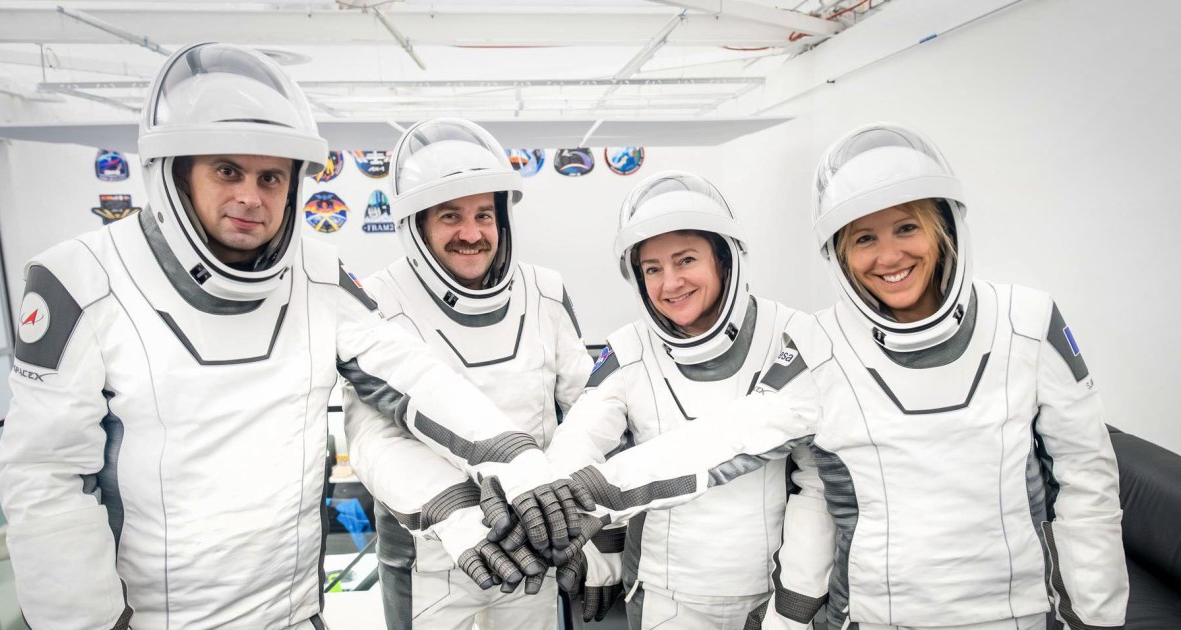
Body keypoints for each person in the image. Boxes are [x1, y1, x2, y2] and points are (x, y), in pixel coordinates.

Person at [0, 43, 561, 630]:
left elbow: (408, 371)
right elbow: (45, 479)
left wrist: (513, 456)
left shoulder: (317, 274)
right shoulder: (81, 278)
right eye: (228, 171)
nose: (250, 196)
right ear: (177, 173)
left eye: (270, 177)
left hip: (295, 614)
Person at [514, 123, 1129, 630]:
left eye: (907, 227)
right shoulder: (821, 344)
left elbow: (1088, 478)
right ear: (840, 252)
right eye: (864, 238)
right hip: (871, 614)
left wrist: (1096, 616)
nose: (888, 256)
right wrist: (572, 493)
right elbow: (719, 439)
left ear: (945, 227)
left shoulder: (1027, 322)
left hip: (1016, 612)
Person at [544, 171, 835, 630]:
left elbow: (816, 484)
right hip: (664, 596)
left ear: (724, 259)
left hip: (764, 591)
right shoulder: (629, 348)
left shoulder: (793, 335)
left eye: (685, 260)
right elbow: (580, 439)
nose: (670, 283)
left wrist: (795, 601)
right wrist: (563, 519)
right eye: (652, 269)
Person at [341, 118, 593, 630]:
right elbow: (371, 438)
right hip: (428, 558)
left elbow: (586, 408)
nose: (472, 234)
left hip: (534, 547)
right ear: (416, 225)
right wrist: (454, 511)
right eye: (450, 216)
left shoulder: (545, 291)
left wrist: (587, 525)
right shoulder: (378, 300)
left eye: (484, 215)